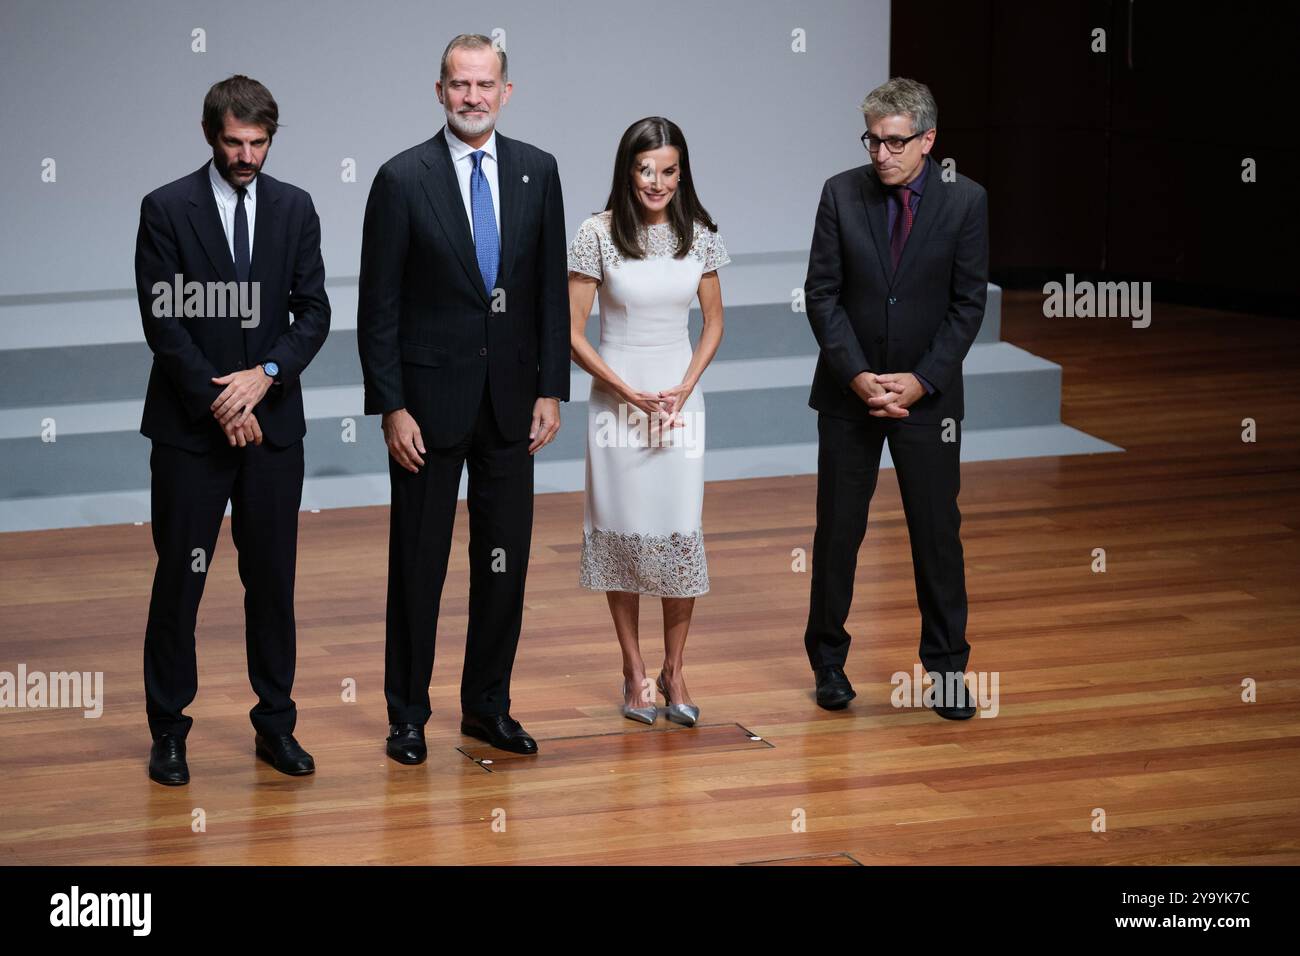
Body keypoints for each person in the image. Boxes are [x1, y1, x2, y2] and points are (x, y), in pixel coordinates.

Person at [357, 34, 569, 762]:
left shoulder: (538, 172)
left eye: (485, 84)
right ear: (439, 91)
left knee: (503, 562)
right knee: (418, 565)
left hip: (512, 405)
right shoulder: (401, 178)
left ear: (507, 91)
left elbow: (546, 294)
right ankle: (406, 716)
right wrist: (391, 405)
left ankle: (487, 707)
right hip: (425, 408)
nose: (472, 96)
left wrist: (551, 389)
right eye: (459, 84)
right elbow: (378, 306)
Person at [136, 74, 331, 784]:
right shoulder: (165, 208)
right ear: (210, 134)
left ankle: (275, 725)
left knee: (272, 582)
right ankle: (169, 730)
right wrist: (224, 400)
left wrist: (266, 377)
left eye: (258, 143)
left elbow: (313, 312)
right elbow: (164, 321)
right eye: (234, 142)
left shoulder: (296, 208)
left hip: (274, 429)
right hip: (191, 431)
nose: (247, 156)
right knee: (180, 582)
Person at [802, 77, 988, 719]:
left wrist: (921, 379)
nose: (880, 153)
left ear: (927, 140)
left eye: (893, 142)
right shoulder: (839, 193)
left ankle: (947, 671)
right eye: (872, 140)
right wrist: (858, 376)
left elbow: (968, 306)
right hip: (848, 396)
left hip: (927, 402)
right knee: (838, 535)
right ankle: (828, 663)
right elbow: (821, 295)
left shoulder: (966, 202)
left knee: (937, 535)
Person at [567, 117, 729, 727]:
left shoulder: (702, 235)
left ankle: (675, 670)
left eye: (667, 170)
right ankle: (634, 671)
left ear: (681, 172)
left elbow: (712, 323)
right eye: (644, 169)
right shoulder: (597, 234)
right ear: (627, 171)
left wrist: (686, 386)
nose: (656, 181)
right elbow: (571, 332)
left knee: (679, 531)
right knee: (625, 533)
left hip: (681, 407)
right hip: (618, 404)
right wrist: (625, 391)